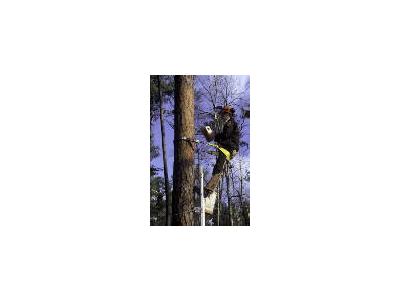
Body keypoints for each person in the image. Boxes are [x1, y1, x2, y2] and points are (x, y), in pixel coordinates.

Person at [203, 106, 240, 198]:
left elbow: (226, 135)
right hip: (225, 146)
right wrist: (210, 133)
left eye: (223, 115)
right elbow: (218, 136)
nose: (222, 116)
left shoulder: (231, 123)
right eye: (221, 115)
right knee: (217, 166)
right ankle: (211, 186)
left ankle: (210, 188)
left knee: (219, 166)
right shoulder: (224, 124)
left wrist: (216, 133)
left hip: (230, 147)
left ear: (228, 114)